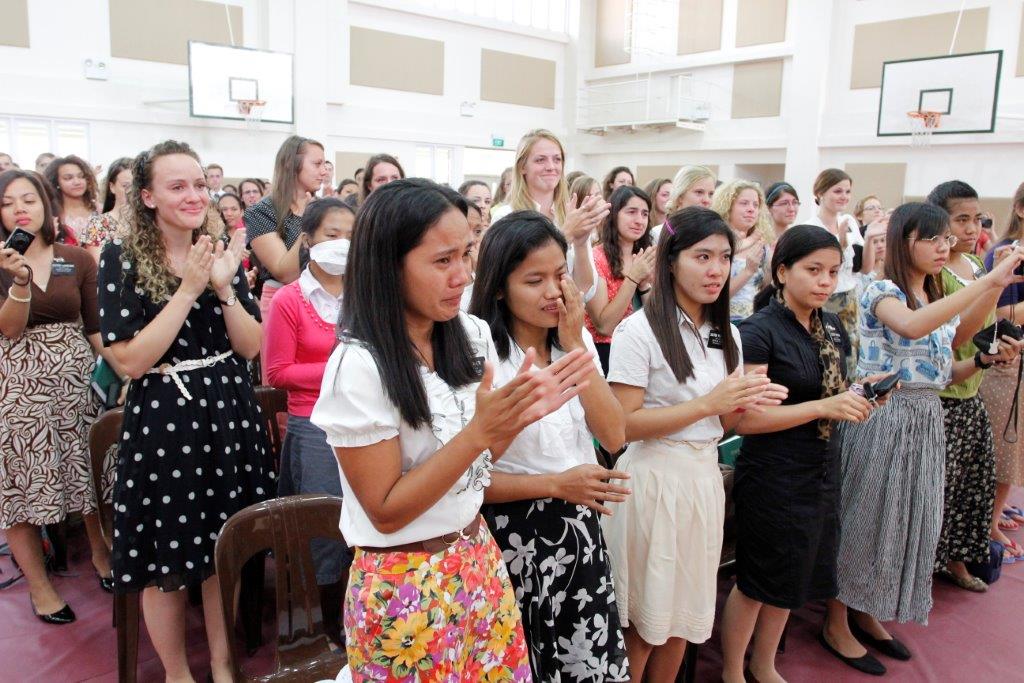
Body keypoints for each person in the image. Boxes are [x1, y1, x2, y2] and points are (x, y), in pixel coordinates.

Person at [310, 178, 596, 680]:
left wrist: (513, 419)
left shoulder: (470, 334)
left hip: (477, 557)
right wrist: (480, 433)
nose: (462, 276)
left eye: (466, 254)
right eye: (442, 260)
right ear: (388, 265)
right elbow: (385, 512)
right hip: (403, 581)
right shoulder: (358, 366)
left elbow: (475, 469)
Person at [822, 203, 1024, 675]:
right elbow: (912, 326)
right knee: (864, 520)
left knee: (902, 522)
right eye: (932, 239)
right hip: (883, 415)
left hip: (925, 416)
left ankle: (866, 609)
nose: (942, 248)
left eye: (944, 240)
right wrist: (987, 283)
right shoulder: (881, 290)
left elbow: (947, 360)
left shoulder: (928, 291)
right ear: (904, 241)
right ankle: (835, 622)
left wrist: (984, 358)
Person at [98, 140, 273, 683]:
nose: (194, 195)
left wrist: (224, 288)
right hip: (165, 417)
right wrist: (189, 289)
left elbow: (250, 346)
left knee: (223, 548)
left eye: (199, 184)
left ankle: (222, 663)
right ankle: (177, 674)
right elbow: (131, 360)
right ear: (147, 197)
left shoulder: (218, 250)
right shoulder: (121, 257)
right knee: (164, 560)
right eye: (177, 186)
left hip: (229, 409)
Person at [603, 206, 786, 683]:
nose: (716, 270)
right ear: (670, 261)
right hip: (653, 482)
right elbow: (622, 426)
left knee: (683, 620)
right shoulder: (638, 330)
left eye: (724, 258)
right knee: (643, 627)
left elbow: (725, 422)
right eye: (702, 257)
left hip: (703, 481)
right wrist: (709, 403)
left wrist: (747, 400)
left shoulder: (728, 333)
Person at [471, 210, 631, 681]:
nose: (553, 291)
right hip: (512, 533)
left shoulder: (572, 338)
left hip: (579, 526)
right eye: (534, 280)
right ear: (499, 288)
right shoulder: (482, 354)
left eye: (560, 275)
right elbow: (469, 478)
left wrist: (576, 345)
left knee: (584, 662)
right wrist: (555, 484)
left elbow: (614, 434)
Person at [720, 225, 881, 683]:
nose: (825, 281)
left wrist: (860, 393)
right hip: (774, 473)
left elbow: (828, 391)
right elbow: (745, 421)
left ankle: (763, 664)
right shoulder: (758, 331)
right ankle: (732, 672)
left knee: (793, 577)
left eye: (832, 271)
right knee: (757, 582)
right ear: (782, 272)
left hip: (820, 468)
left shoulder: (830, 326)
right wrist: (824, 407)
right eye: (813, 270)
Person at [0, 169, 123, 624]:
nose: (20, 209)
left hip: (76, 383)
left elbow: (96, 328)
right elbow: (9, 328)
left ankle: (101, 554)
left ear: (46, 204)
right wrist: (17, 280)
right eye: (8, 202)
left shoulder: (76, 258)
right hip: (17, 388)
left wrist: (126, 371)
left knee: (89, 472)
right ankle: (40, 586)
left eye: (28, 199)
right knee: (23, 485)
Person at [264, 197, 354, 645]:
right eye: (332, 235)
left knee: (363, 520)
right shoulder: (289, 300)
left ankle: (357, 612)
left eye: (350, 236)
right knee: (324, 529)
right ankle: (321, 626)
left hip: (362, 418)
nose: (342, 244)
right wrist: (344, 367)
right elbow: (277, 373)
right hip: (314, 423)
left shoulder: (364, 294)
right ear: (308, 240)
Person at [928, 180, 1015, 592]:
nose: (971, 228)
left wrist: (1002, 344)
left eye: (976, 219)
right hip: (943, 393)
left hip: (972, 388)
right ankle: (927, 563)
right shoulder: (936, 274)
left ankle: (957, 560)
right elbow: (958, 335)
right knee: (939, 488)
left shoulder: (976, 264)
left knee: (969, 487)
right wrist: (995, 284)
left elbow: (984, 327)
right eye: (960, 219)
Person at [490, 129, 610, 306]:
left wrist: (580, 243)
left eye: (557, 159)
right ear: (522, 167)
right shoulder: (505, 216)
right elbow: (506, 278)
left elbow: (584, 290)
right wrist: (566, 235)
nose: (551, 166)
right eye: (540, 160)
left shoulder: (571, 215)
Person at [979, 181, 1024, 562]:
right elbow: (996, 316)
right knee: (1001, 448)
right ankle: (988, 522)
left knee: (1015, 447)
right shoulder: (1005, 253)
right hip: (1004, 363)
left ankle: (996, 512)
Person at [245, 135, 329, 316]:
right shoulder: (261, 212)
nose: (324, 171)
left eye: (325, 164)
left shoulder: (324, 208)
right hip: (282, 303)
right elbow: (284, 273)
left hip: (323, 300)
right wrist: (308, 223)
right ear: (291, 164)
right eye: (317, 164)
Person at [806, 170, 882, 367]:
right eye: (837, 191)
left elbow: (865, 269)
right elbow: (819, 270)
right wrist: (839, 243)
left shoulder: (848, 222)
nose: (844, 196)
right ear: (820, 193)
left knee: (851, 354)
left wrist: (870, 238)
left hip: (851, 297)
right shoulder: (810, 228)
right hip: (825, 299)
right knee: (828, 354)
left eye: (847, 192)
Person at [585, 185, 656, 372]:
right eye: (631, 212)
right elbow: (604, 326)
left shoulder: (645, 256)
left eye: (644, 214)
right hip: (605, 352)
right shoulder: (597, 257)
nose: (639, 220)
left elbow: (655, 320)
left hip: (641, 349)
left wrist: (644, 285)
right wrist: (633, 279)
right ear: (614, 214)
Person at [712, 179, 772, 322]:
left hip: (753, 323)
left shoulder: (762, 246)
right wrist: (748, 271)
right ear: (728, 207)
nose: (751, 209)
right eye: (744, 203)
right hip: (722, 321)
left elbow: (764, 290)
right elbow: (717, 296)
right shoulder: (717, 241)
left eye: (755, 205)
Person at [650, 165, 716, 243]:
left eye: (710, 194)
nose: (707, 200)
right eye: (699, 192)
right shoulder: (658, 234)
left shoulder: (717, 234)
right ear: (680, 195)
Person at [83, 157, 133, 262]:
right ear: (112, 187)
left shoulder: (152, 221)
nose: (131, 191)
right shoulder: (98, 224)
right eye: (125, 186)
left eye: (137, 185)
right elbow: (98, 265)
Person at [44, 154, 99, 245]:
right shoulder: (50, 214)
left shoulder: (99, 210)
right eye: (68, 178)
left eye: (81, 176)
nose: (77, 182)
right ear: (56, 182)